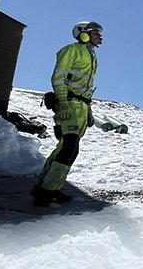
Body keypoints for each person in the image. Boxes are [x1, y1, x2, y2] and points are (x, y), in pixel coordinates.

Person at [32, 21, 103, 207]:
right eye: (95, 32)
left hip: (81, 107)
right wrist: (62, 102)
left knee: (71, 147)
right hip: (69, 104)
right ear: (83, 34)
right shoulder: (71, 50)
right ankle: (44, 192)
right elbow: (58, 77)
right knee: (68, 145)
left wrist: (89, 111)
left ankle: (51, 186)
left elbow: (85, 87)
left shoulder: (92, 56)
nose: (100, 36)